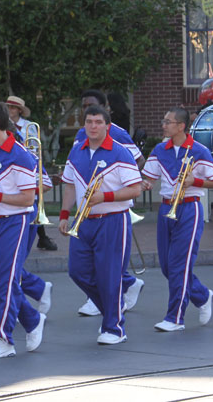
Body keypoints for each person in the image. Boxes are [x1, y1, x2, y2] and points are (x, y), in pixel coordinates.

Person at [58, 105, 143, 345]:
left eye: (98, 122)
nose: (93, 126)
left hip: (113, 220)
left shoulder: (120, 152)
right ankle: (113, 309)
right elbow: (69, 185)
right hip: (83, 221)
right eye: (89, 122)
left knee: (110, 276)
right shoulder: (76, 152)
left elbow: (135, 189)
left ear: (107, 126)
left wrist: (103, 197)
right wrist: (64, 214)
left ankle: (115, 328)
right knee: (77, 271)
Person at [0, 102, 45, 359]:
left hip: (13, 222)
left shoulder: (21, 155)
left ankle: (4, 338)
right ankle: (33, 319)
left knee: (1, 281)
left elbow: (27, 199)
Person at [142, 107, 213, 331]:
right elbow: (149, 177)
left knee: (179, 265)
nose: (163, 125)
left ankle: (175, 317)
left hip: (189, 209)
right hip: (166, 209)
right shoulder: (160, 149)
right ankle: (203, 295)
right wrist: (144, 184)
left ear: (181, 126)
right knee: (168, 267)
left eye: (168, 122)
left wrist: (194, 181)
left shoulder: (199, 150)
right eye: (164, 121)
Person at [72, 90, 144, 317]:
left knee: (108, 263)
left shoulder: (119, 135)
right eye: (84, 108)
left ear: (106, 110)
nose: (87, 111)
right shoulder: (80, 135)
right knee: (88, 263)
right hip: (87, 213)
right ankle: (122, 289)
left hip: (112, 210)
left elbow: (138, 160)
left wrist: (124, 181)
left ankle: (110, 305)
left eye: (92, 106)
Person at [7, 96, 57, 252]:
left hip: (27, 162)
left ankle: (41, 237)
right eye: (8, 107)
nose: (10, 110)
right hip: (11, 162)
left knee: (33, 201)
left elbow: (34, 146)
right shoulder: (4, 124)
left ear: (19, 110)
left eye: (13, 108)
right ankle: (40, 237)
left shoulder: (28, 126)